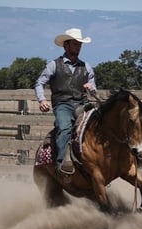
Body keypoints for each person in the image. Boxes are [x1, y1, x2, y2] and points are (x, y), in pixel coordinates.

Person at [34, 28, 97, 175]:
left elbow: (94, 90)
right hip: (63, 105)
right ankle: (60, 164)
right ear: (66, 46)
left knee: (98, 127)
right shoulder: (54, 65)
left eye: (79, 44)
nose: (78, 47)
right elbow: (39, 83)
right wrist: (42, 99)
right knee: (64, 127)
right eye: (75, 44)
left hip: (83, 104)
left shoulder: (86, 67)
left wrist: (91, 89)